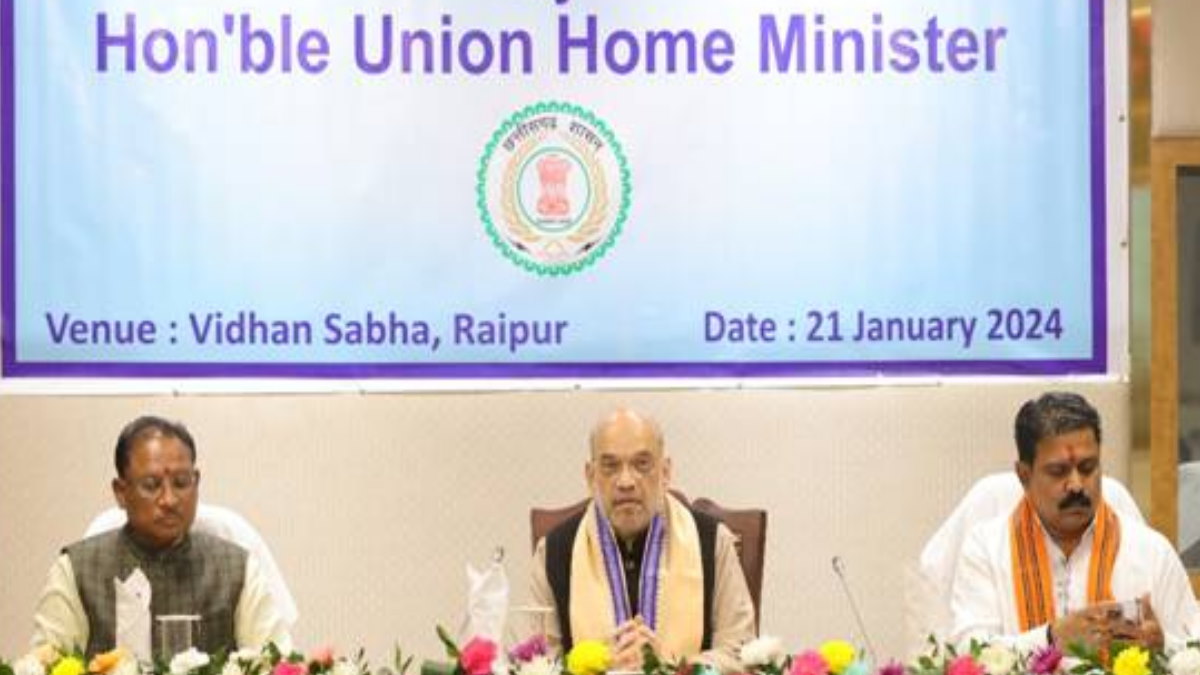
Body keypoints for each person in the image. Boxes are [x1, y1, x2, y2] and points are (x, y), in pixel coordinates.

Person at [950, 392, 1200, 651]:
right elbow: (969, 652)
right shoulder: (986, 550)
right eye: (1058, 472)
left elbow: (1193, 651)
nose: (1076, 485)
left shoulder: (1150, 551)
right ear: (1024, 475)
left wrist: (1164, 646)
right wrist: (1051, 639)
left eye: (1088, 467)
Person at [31, 416, 292, 659]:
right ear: (121, 492)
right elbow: (44, 665)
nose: (169, 500)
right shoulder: (78, 570)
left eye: (181, 482)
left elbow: (277, 663)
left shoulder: (236, 569)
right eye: (151, 485)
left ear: (196, 482)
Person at [530, 408, 755, 672]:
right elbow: (536, 664)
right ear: (590, 476)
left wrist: (672, 667)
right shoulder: (554, 552)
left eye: (642, 464)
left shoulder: (713, 541)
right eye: (611, 466)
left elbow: (741, 653)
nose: (626, 481)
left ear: (665, 472)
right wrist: (601, 667)